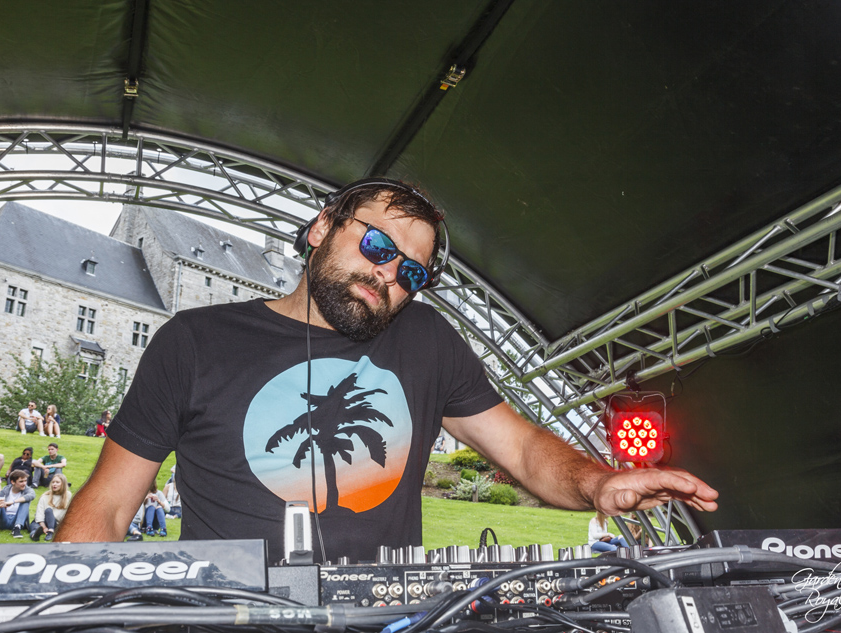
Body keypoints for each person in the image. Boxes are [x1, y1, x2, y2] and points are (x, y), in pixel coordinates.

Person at [57, 179, 718, 563]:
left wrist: (599, 482)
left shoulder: (427, 340)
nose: (388, 274)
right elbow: (109, 506)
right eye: (376, 244)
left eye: (412, 273)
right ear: (321, 227)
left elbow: (520, 448)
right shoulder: (194, 341)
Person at [0, 470, 35, 538]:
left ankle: (17, 528)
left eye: (25, 481)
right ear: (13, 482)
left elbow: (31, 496)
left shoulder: (27, 490)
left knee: (25, 501)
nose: (24, 483)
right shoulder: (5, 490)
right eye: (21, 481)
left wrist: (12, 502)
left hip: (17, 519)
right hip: (4, 519)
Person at [30, 473, 71, 541]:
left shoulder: (67, 495)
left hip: (55, 522)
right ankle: (34, 535)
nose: (54, 484)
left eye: (57, 482)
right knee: (35, 527)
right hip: (41, 522)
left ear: (63, 484)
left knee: (48, 511)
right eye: (53, 482)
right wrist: (44, 527)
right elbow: (39, 514)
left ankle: (50, 531)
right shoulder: (44, 497)